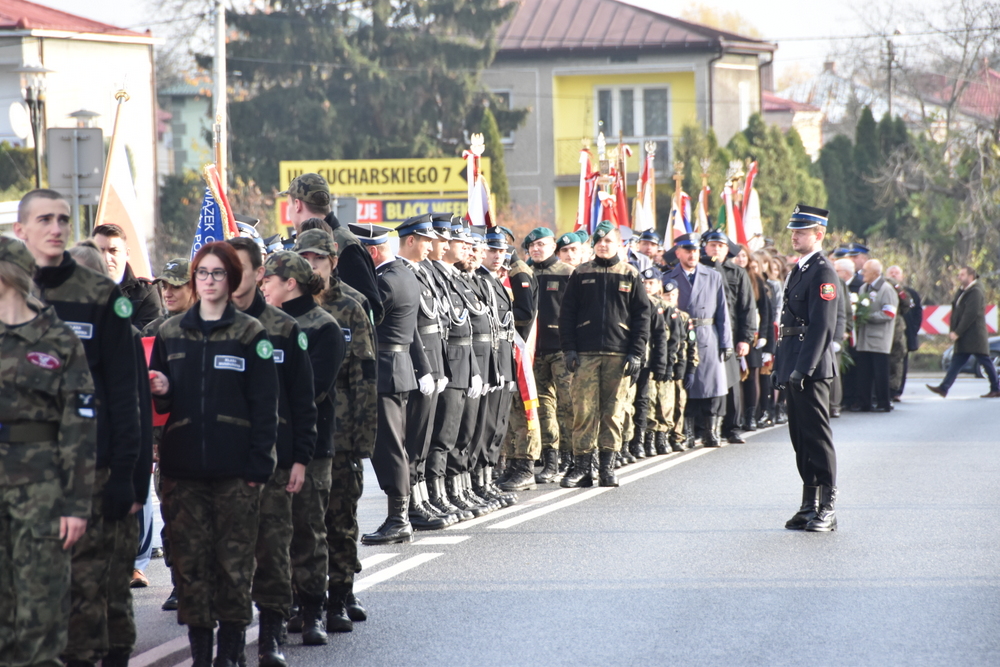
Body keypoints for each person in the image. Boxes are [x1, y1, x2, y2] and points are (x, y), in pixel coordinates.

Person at [17, 189, 144, 667]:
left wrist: (125, 473)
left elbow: (123, 393)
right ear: (20, 230)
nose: (54, 228)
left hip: (89, 473)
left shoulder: (100, 298)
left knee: (86, 607)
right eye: (43, 220)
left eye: (63, 220)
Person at [148, 241, 278, 667]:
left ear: (232, 279)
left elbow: (265, 404)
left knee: (234, 566)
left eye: (217, 273)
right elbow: (163, 403)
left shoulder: (250, 334)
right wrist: (163, 392)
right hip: (183, 474)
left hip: (235, 474)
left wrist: (260, 465)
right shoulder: (170, 333)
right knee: (191, 568)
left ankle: (232, 653)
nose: (208, 281)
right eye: (201, 273)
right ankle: (202, 654)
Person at [0, 236, 96, 667]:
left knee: (40, 612)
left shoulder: (57, 338)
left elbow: (79, 426)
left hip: (41, 487)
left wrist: (76, 503)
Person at [261, 250, 346, 658]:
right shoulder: (263, 326)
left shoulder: (322, 326)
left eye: (268, 281)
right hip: (270, 445)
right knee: (276, 533)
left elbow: (312, 388)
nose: (262, 287)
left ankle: (314, 608)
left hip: (310, 444)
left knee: (309, 527)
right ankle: (285, 604)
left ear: (289, 283)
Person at [295, 228, 376, 632]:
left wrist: (364, 439)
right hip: (297, 434)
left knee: (339, 520)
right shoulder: (287, 308)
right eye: (305, 260)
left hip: (341, 432)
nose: (312, 267)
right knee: (299, 523)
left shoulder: (352, 307)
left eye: (318, 260)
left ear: (333, 262)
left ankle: (340, 596)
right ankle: (300, 599)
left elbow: (365, 376)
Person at [352, 223, 429, 544]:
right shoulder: (403, 274)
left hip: (386, 370)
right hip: (397, 369)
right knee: (393, 445)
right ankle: (400, 514)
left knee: (390, 449)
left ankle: (398, 518)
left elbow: (362, 312)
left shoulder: (386, 283)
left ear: (371, 252)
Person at [559, 221, 651, 488]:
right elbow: (567, 315)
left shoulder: (630, 274)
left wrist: (636, 353)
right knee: (583, 412)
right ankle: (582, 468)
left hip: (618, 355)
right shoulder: (580, 273)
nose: (602, 245)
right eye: (598, 241)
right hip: (586, 355)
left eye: (608, 241)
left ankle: (608, 468)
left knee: (613, 413)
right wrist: (570, 349)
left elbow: (642, 317)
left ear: (618, 244)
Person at [773, 204, 840, 532]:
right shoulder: (799, 270)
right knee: (799, 437)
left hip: (811, 369)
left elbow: (821, 327)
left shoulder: (822, 271)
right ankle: (808, 504)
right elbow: (786, 323)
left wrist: (803, 368)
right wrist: (780, 364)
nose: (795, 237)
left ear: (819, 235)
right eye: (794, 232)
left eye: (801, 232)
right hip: (793, 364)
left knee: (817, 437)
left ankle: (827, 507)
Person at [141, 257, 197, 612]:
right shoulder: (156, 329)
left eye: (177, 284)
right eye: (164, 285)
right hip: (170, 442)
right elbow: (149, 391)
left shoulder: (210, 325)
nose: (168, 291)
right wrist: (153, 441)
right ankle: (178, 583)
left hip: (208, 439)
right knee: (174, 517)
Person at [394, 214, 453, 530]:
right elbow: (411, 327)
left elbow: (436, 324)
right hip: (416, 367)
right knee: (412, 439)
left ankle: (420, 499)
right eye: (426, 240)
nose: (432, 246)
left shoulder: (424, 273)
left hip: (430, 365)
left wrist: (439, 367)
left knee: (424, 438)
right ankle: (410, 504)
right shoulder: (400, 273)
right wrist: (424, 368)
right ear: (411, 241)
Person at [280, 173, 383, 323]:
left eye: (320, 257)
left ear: (297, 205)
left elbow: (370, 308)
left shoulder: (344, 244)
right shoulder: (337, 239)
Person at [665, 233, 732, 448]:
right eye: (687, 250)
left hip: (707, 333)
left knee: (711, 386)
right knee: (687, 384)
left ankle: (711, 432)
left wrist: (726, 342)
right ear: (678, 253)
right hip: (680, 336)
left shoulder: (712, 276)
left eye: (695, 250)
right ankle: (688, 432)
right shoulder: (668, 277)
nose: (692, 254)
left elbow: (723, 311)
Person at [522, 226, 574, 484]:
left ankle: (574, 458)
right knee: (543, 408)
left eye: (541, 244)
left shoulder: (567, 273)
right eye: (532, 246)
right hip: (535, 352)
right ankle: (551, 461)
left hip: (563, 350)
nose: (536, 249)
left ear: (553, 246)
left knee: (569, 406)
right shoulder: (526, 273)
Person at [700, 230, 756, 443]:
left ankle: (732, 427)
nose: (716, 249)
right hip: (705, 333)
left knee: (731, 381)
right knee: (704, 380)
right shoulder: (700, 269)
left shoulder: (737, 272)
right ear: (705, 247)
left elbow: (747, 308)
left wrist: (745, 338)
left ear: (728, 249)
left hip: (730, 334)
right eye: (712, 245)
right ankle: (703, 427)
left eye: (720, 246)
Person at [927, 266, 1000, 398]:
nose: (959, 277)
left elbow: (970, 314)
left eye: (962, 275)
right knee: (956, 362)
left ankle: (996, 388)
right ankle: (944, 388)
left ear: (970, 276)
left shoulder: (976, 291)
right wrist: (952, 330)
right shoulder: (962, 291)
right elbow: (955, 311)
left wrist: (958, 332)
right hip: (964, 336)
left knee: (985, 361)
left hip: (974, 335)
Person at [91, 223, 162, 330]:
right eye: (100, 250)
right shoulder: (77, 291)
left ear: (127, 253)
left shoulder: (145, 293)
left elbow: (147, 335)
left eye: (113, 251)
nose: (106, 258)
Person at [854, 259, 898, 412]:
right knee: (864, 372)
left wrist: (867, 317)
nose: (862, 274)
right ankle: (864, 402)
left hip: (879, 338)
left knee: (880, 373)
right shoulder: (863, 288)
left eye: (865, 271)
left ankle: (883, 402)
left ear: (874, 273)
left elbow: (889, 313)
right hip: (864, 337)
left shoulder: (886, 289)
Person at [742, 251, 773, 431]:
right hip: (736, 332)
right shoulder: (732, 276)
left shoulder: (756, 280)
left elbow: (765, 311)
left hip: (753, 334)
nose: (740, 260)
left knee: (752, 376)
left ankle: (751, 415)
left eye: (744, 257)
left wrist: (763, 336)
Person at [886, 265, 922, 400]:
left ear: (902, 276)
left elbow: (918, 313)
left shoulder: (910, 293)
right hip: (888, 333)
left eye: (897, 273)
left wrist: (913, 329)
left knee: (901, 362)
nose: (894, 275)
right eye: (891, 272)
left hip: (905, 333)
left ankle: (897, 391)